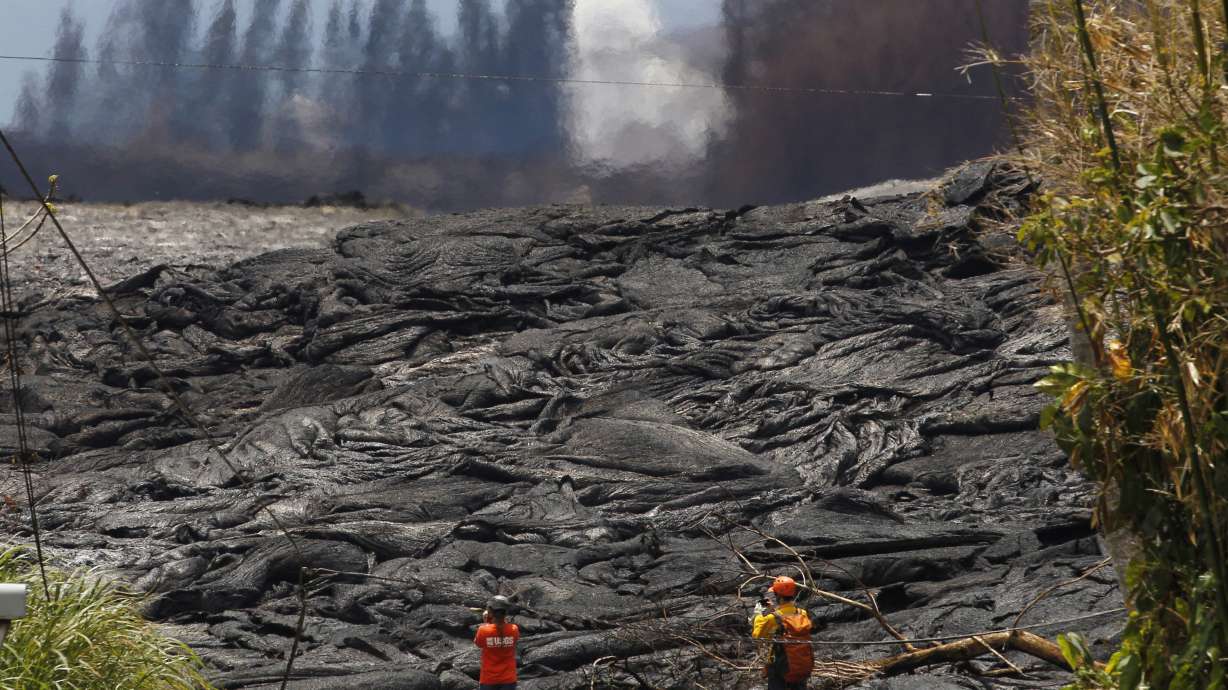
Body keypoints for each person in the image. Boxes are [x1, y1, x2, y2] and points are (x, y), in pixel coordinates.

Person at [750, 576, 814, 690]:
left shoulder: (771, 618)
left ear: (777, 596)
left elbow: (757, 636)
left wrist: (759, 613)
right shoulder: (802, 613)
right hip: (801, 664)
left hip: (779, 667)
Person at [474, 595, 520, 690]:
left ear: (490, 612)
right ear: (506, 612)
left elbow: (478, 643)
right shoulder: (514, 629)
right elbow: (511, 638)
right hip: (509, 679)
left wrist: (486, 622)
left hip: (488, 679)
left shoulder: (483, 630)